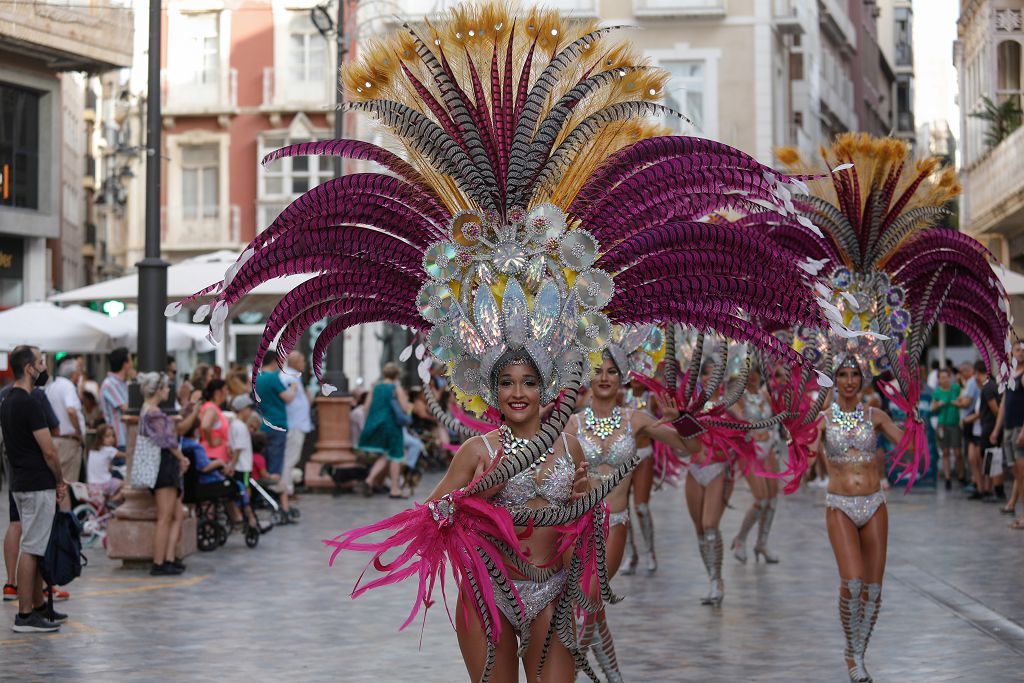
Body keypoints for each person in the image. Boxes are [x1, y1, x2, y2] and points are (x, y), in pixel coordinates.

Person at [566, 336, 699, 681]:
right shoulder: (571, 425)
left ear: (623, 375)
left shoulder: (636, 420)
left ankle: (566, 671)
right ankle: (616, 678)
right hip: (576, 528)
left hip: (615, 523)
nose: (605, 377)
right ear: (587, 376)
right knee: (590, 607)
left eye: (612, 370)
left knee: (591, 599)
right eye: (598, 370)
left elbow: (691, 448)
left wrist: (679, 418)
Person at [815, 356, 905, 683]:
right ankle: (851, 653)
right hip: (839, 504)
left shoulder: (876, 415)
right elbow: (807, 453)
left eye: (855, 374)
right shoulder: (823, 419)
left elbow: (906, 445)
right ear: (834, 379)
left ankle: (859, 653)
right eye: (843, 374)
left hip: (874, 503)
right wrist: (796, 436)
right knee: (852, 582)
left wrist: (916, 424)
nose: (849, 381)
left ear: (864, 378)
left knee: (874, 588)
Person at [2, 346, 67, 632]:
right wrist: (60, 480)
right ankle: (26, 615)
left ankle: (38, 605)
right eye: (40, 362)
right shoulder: (30, 402)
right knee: (32, 548)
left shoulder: (7, 400)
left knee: (34, 543)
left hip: (19, 481)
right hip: (37, 483)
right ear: (29, 368)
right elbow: (49, 450)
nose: (43, 367)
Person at [136, 372, 189, 576]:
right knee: (166, 516)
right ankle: (159, 562)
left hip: (164, 464)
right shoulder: (153, 411)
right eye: (166, 387)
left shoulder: (147, 410)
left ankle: (169, 558)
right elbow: (166, 440)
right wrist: (182, 457)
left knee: (176, 515)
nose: (168, 390)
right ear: (158, 389)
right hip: (163, 466)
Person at [732, 364, 783, 564]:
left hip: (769, 447)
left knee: (772, 500)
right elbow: (736, 419)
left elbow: (778, 418)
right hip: (749, 450)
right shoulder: (738, 398)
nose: (752, 378)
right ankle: (740, 539)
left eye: (755, 374)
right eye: (748, 374)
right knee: (760, 499)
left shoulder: (766, 395)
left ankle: (762, 543)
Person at [359, 362, 412, 499]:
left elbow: (365, 408)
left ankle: (369, 480)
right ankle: (394, 489)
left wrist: (369, 423)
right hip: (392, 426)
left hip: (377, 424)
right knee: (395, 456)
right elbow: (405, 408)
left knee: (385, 455)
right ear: (397, 375)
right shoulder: (396, 388)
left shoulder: (375, 387)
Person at [254, 354, 297, 519]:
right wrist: (293, 388)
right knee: (275, 465)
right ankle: (279, 504)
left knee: (262, 464)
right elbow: (287, 398)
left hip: (261, 425)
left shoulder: (257, 377)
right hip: (277, 425)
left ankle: (263, 498)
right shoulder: (273, 378)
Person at [46, 357, 85, 509]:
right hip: (68, 441)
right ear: (74, 373)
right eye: (79, 372)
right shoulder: (68, 386)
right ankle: (65, 526)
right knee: (65, 486)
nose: (80, 375)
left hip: (54, 439)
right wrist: (78, 431)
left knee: (56, 485)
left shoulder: (52, 386)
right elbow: (71, 410)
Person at [280, 351, 312, 503]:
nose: (304, 363)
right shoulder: (289, 377)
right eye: (303, 360)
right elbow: (289, 398)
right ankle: (286, 490)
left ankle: (288, 487)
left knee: (292, 458)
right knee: (289, 459)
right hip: (294, 424)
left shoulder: (295, 377)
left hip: (298, 423)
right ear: (296, 362)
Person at [997, 344, 1024, 522]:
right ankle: (1013, 503)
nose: (1021, 353)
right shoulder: (1009, 376)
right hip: (1008, 428)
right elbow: (1003, 404)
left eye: (1023, 351)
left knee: (1021, 474)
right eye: (1018, 350)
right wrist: (996, 429)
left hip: (1019, 429)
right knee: (1016, 472)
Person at [965, 361, 999, 501]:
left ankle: (988, 489)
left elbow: (995, 410)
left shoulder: (988, 388)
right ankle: (981, 488)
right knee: (975, 459)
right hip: (978, 430)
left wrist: (996, 429)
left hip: (985, 429)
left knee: (986, 460)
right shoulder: (984, 388)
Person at [930, 367, 962, 491]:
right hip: (942, 424)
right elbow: (932, 408)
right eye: (941, 377)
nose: (944, 380)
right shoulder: (937, 392)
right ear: (938, 379)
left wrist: (957, 403)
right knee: (945, 452)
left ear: (950, 377)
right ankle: (948, 478)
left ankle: (960, 475)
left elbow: (963, 400)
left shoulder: (956, 389)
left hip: (955, 424)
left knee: (958, 452)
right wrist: (938, 404)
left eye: (946, 377)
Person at [100, 347, 134, 451]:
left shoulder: (126, 384)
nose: (132, 364)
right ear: (125, 364)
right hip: (118, 441)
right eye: (131, 360)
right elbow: (127, 408)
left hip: (128, 439)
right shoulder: (109, 384)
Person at [86, 424, 124, 503]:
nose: (111, 439)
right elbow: (124, 455)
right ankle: (112, 501)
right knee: (126, 484)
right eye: (107, 436)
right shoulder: (109, 450)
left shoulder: (92, 451)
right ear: (100, 438)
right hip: (104, 484)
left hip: (91, 484)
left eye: (113, 436)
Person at [198, 379, 230, 463]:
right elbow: (205, 425)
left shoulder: (214, 408)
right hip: (212, 456)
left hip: (216, 457)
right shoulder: (211, 408)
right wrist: (211, 442)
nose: (227, 392)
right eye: (225, 389)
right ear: (217, 392)